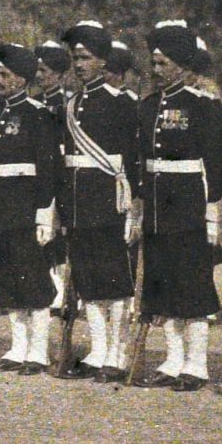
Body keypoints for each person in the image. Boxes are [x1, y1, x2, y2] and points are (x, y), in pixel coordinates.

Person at [134, 23, 222, 389]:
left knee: (192, 285)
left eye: (163, 64)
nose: (156, 71)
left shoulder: (202, 104)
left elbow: (216, 162)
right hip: (158, 205)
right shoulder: (146, 107)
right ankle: (173, 360)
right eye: (153, 64)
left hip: (189, 203)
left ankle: (196, 363)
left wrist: (212, 212)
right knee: (163, 286)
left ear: (181, 64)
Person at [58, 21, 140, 378]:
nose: (78, 65)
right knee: (88, 282)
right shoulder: (71, 103)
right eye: (75, 58)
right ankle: (98, 349)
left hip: (108, 201)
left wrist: (133, 208)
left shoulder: (120, 103)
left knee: (114, 281)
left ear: (102, 61)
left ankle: (118, 353)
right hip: (77, 202)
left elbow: (131, 158)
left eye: (85, 58)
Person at [0, 42, 63, 375]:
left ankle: (39, 351)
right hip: (1, 207)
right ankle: (18, 347)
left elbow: (48, 168)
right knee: (8, 280)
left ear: (21, 78)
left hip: (26, 207)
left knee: (32, 281)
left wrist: (44, 213)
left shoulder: (38, 114)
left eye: (4, 75)